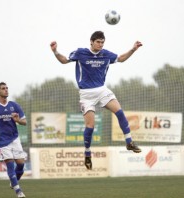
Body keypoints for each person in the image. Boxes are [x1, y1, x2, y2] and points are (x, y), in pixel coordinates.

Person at [50, 31, 143, 170]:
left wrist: (133, 49)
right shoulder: (81, 53)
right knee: (90, 127)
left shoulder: (105, 54)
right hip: (86, 94)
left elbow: (121, 58)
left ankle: (129, 141)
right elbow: (64, 60)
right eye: (98, 42)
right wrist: (55, 51)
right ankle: (87, 153)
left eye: (102, 42)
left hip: (102, 90)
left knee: (120, 112)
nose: (100, 44)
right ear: (91, 41)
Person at [0, 82, 27, 198]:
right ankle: (18, 190)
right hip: (1, 141)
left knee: (21, 165)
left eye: (7, 88)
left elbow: (24, 122)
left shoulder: (14, 105)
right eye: (3, 89)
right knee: (10, 165)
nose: (6, 90)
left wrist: (18, 120)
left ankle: (13, 181)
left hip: (14, 138)